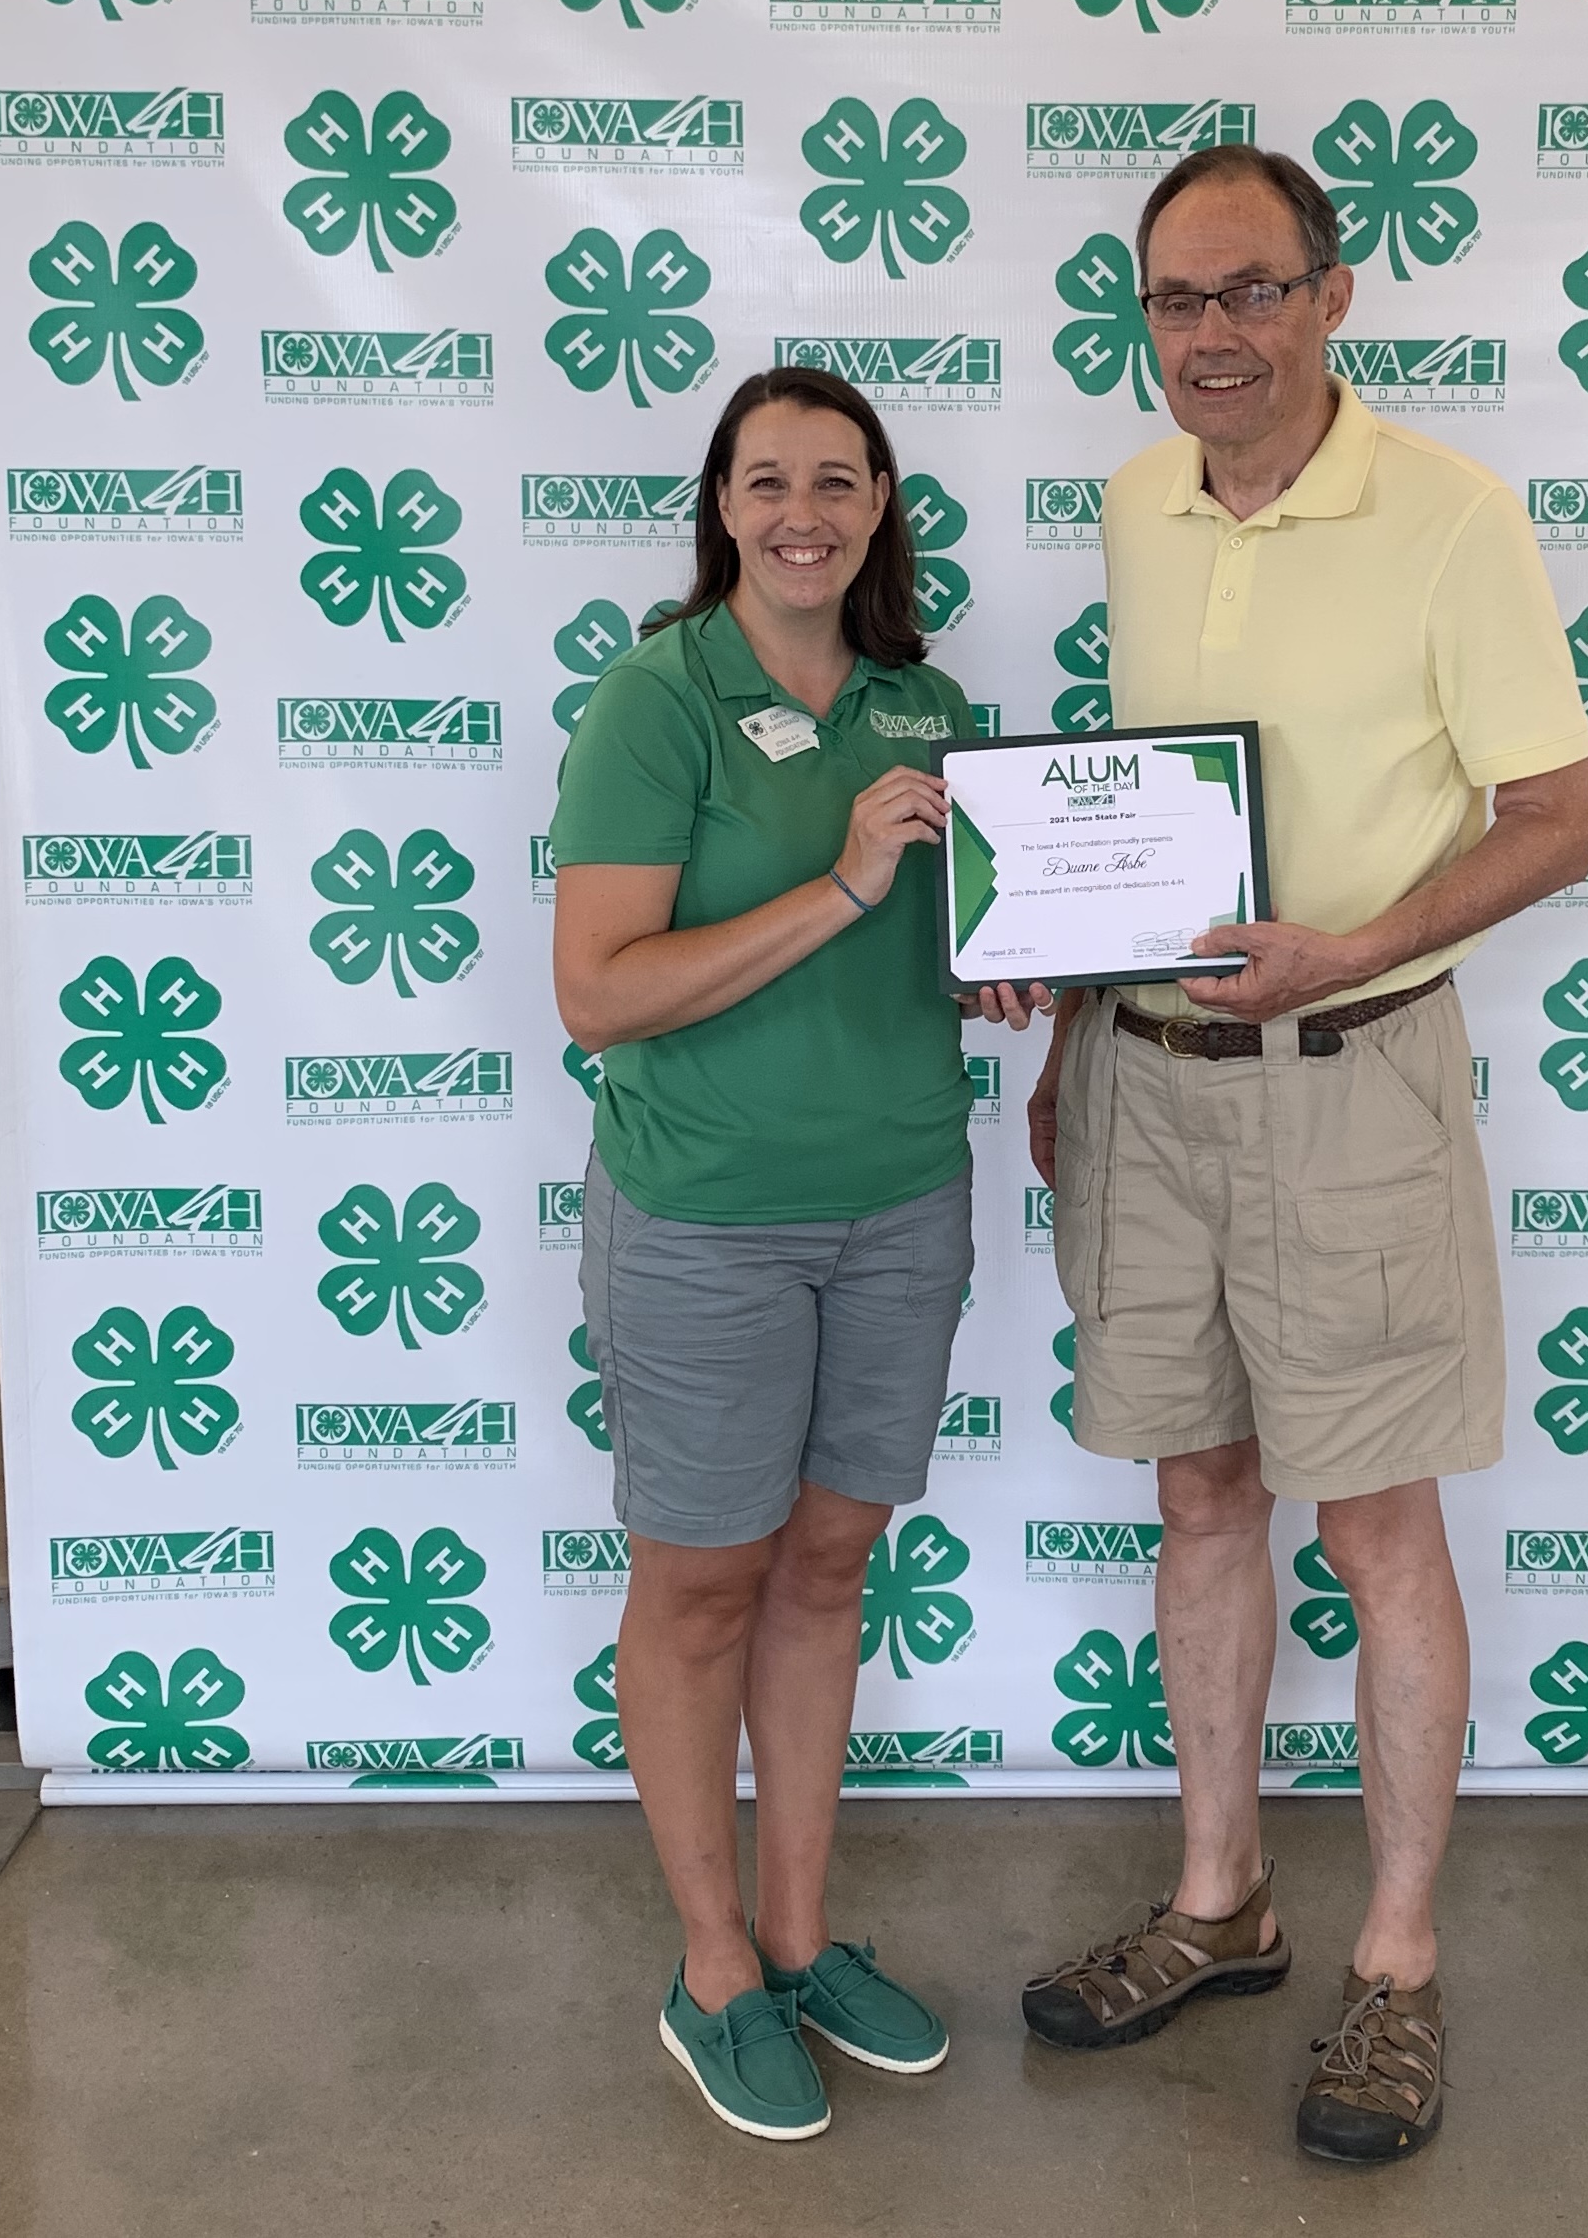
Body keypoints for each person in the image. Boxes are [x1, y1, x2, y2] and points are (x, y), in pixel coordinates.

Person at [1017, 147, 1588, 2162]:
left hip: (1354, 1072)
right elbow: (1149, 815)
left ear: (1333, 296)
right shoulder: (1134, 502)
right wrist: (1079, 1010)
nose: (1212, 338)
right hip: (1151, 1082)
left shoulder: (1452, 517)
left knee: (1375, 1529)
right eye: (1175, 302)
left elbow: (1556, 814)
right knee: (1199, 1491)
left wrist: (1348, 948)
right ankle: (1221, 1904)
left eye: (1250, 294)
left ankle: (1403, 1968)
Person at [551, 365, 1042, 2143]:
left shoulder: (927, 705)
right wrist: (841, 883)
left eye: (837, 479)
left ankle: (800, 1933)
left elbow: (947, 940)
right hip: (704, 1219)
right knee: (700, 1589)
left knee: (828, 1565)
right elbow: (598, 995)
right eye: (767, 482)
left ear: (881, 502)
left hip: (904, 1198)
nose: (802, 512)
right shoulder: (654, 697)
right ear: (720, 506)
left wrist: (994, 961)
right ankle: (710, 1972)